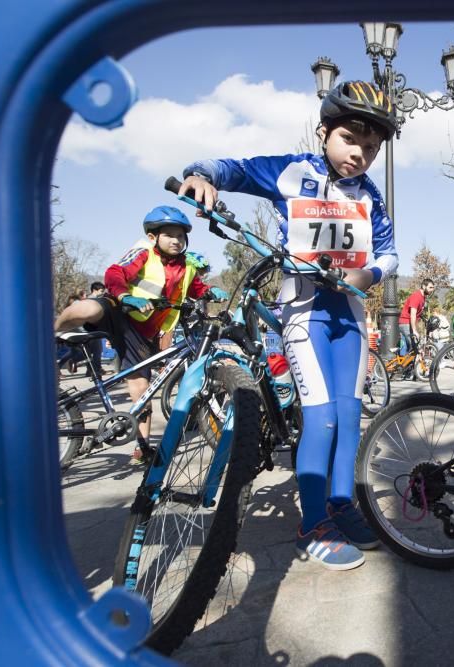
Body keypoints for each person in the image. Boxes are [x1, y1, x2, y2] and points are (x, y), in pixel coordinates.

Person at [178, 80, 400, 571]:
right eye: (350, 140)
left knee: (348, 417)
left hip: (351, 314)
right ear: (324, 132)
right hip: (303, 312)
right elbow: (231, 169)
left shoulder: (370, 196)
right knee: (319, 417)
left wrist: (367, 274)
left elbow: (389, 251)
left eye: (371, 148)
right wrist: (201, 175)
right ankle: (312, 522)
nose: (360, 154)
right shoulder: (292, 171)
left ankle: (341, 505)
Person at [54, 206, 227, 463]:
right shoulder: (144, 253)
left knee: (142, 390)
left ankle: (142, 448)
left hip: (143, 332)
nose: (176, 240)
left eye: (180, 236)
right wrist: (126, 297)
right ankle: (50, 334)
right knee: (87, 307)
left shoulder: (187, 267)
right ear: (152, 237)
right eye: (168, 235)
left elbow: (195, 288)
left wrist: (209, 292)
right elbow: (115, 273)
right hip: (120, 312)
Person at [399, 278, 435, 356]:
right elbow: (413, 314)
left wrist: (424, 319)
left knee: (405, 346)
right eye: (430, 287)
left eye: (433, 288)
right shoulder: (417, 296)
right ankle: (408, 367)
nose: (432, 290)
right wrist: (414, 330)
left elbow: (418, 313)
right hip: (406, 323)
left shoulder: (423, 297)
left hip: (406, 323)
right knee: (413, 347)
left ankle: (402, 366)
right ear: (423, 286)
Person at [84, 281, 108, 376]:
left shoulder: (87, 300)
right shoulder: (92, 301)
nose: (102, 293)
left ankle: (91, 370)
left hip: (91, 329)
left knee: (90, 352)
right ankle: (96, 369)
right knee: (97, 351)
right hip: (92, 329)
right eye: (101, 291)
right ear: (95, 290)